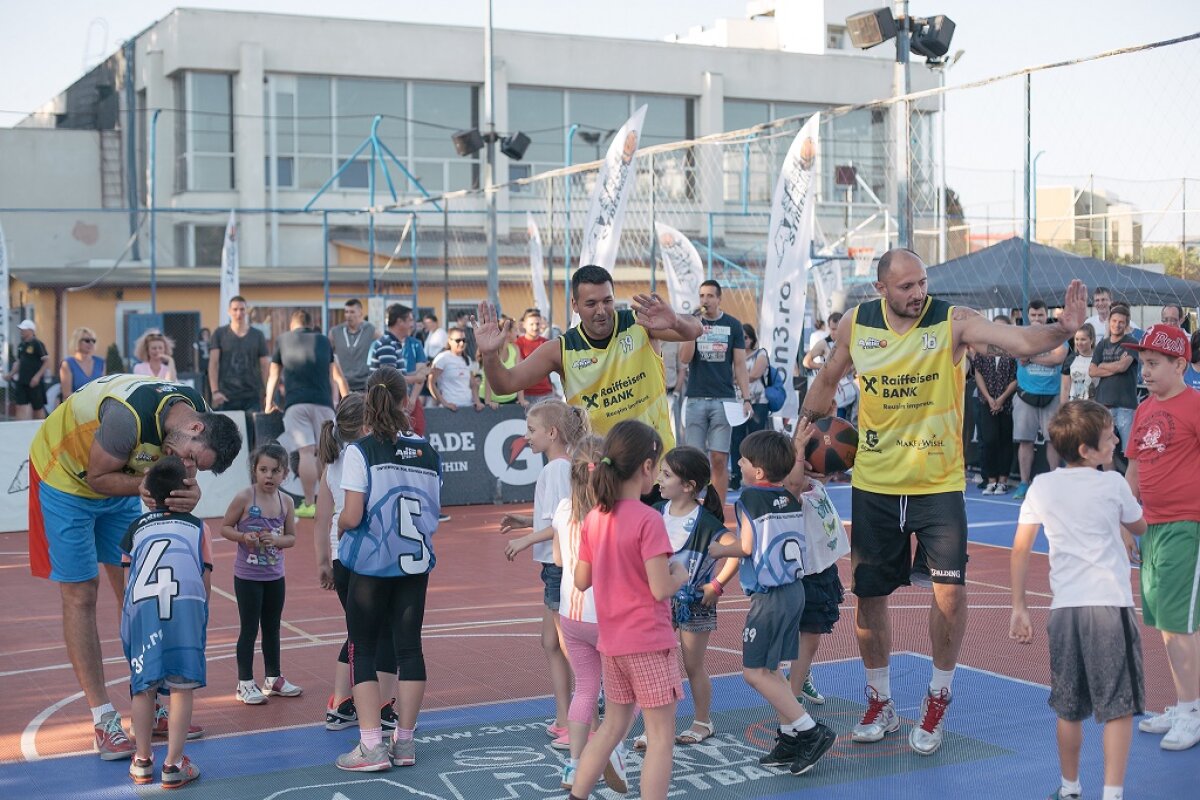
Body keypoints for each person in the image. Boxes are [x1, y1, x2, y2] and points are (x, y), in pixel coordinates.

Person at [797, 247, 1089, 755]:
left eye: (922, 283)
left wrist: (1064, 328)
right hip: (875, 484)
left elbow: (1019, 341)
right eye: (906, 286)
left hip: (938, 484)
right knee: (868, 599)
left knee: (949, 596)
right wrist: (800, 437)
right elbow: (827, 380)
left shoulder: (953, 322)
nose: (918, 293)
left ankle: (938, 697)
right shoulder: (856, 324)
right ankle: (881, 700)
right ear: (880, 289)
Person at [28, 373, 240, 760]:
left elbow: (179, 477)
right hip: (68, 479)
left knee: (139, 593)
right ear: (193, 427)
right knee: (80, 593)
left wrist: (188, 490)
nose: (188, 466)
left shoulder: (196, 419)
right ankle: (102, 716)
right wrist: (146, 484)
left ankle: (153, 701)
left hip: (123, 477)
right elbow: (97, 477)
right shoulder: (128, 419)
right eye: (190, 458)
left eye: (196, 465)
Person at [1010, 400, 1147, 800]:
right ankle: (1112, 793)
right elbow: (1138, 524)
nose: (1117, 440)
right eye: (1109, 437)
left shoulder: (1042, 485)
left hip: (1065, 611)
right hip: (1110, 606)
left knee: (1069, 707)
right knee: (1118, 707)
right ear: (1087, 450)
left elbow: (1020, 550)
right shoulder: (1113, 483)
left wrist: (1019, 605)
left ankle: (1070, 788)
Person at [568, 421, 688, 800]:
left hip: (613, 644)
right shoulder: (649, 520)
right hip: (649, 642)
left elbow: (582, 580)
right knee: (660, 738)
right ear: (647, 467)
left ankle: (577, 794)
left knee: (610, 728)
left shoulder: (593, 519)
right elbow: (659, 588)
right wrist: (680, 574)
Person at [707, 428, 837, 775]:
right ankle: (791, 735)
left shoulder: (748, 499)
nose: (739, 463)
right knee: (771, 670)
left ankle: (810, 731)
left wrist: (718, 548)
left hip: (771, 597)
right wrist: (796, 449)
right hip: (795, 591)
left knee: (753, 672)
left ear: (758, 472)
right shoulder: (791, 495)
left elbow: (746, 547)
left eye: (744, 460)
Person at [334, 367, 441, 771]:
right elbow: (433, 511)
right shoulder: (428, 451)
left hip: (372, 565)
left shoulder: (361, 451)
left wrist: (341, 524)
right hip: (414, 563)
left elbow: (354, 513)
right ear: (405, 401)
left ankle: (370, 745)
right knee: (409, 649)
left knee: (363, 646)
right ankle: (405, 743)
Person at [474, 265, 703, 451]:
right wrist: (490, 354)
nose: (601, 310)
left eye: (607, 301)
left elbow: (694, 330)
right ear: (575, 305)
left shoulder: (640, 323)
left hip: (653, 464)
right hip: (600, 470)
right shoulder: (561, 348)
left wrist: (676, 322)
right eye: (591, 304)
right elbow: (505, 385)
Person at [1123, 324, 1200, 751]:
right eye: (1142, 363)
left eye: (1153, 364)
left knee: (1179, 624)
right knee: (1171, 624)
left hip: (1187, 526)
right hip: (1151, 527)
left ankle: (1190, 710)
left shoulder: (1194, 406)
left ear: (1180, 364)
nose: (1145, 371)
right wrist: (1125, 521)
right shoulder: (1144, 410)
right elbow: (1133, 469)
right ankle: (1187, 703)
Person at [498, 401, 589, 747]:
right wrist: (526, 523)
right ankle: (566, 715)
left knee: (567, 647)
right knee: (551, 642)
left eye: (532, 431)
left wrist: (524, 540)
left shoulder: (555, 470)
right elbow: (557, 517)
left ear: (552, 433)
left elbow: (558, 525)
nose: (527, 437)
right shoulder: (563, 468)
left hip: (558, 567)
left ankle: (580, 720)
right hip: (557, 566)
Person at [121, 456, 211, 790]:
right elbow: (206, 579)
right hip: (185, 606)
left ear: (149, 494)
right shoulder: (199, 527)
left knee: (142, 687)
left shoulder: (134, 529)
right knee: (181, 688)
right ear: (184, 490)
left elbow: (128, 581)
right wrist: (201, 617)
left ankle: (142, 759)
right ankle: (173, 764)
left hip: (142, 609)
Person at [315, 393, 401, 733]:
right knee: (386, 632)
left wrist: (322, 560)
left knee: (358, 631)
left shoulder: (332, 462)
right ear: (367, 424)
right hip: (368, 555)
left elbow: (322, 517)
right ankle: (382, 705)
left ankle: (340, 702)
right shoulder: (365, 457)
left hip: (341, 557)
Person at [552, 435, 627, 793]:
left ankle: (574, 765)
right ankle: (613, 747)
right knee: (629, 690)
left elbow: (556, 559)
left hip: (571, 612)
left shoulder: (565, 508)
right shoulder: (612, 512)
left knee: (585, 688)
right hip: (608, 614)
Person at [649, 446, 737, 747]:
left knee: (692, 665)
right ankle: (657, 726)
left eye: (667, 474)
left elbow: (735, 550)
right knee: (656, 662)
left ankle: (703, 721)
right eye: (661, 472)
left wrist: (717, 585)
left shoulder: (706, 522)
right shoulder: (656, 512)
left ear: (688, 486)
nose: (659, 479)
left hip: (694, 603)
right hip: (659, 600)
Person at [219, 442, 302, 705]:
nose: (269, 475)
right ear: (254, 470)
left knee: (272, 626)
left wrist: (275, 541)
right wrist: (244, 537)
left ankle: (273, 678)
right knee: (249, 628)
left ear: (285, 474)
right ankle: (244, 682)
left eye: (275, 471)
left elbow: (291, 538)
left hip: (275, 576)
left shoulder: (286, 501)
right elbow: (225, 527)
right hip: (248, 577)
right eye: (263, 469)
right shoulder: (245, 498)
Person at [265, 310, 348, 518]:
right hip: (324, 403)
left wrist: (268, 403)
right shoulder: (323, 341)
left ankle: (310, 503)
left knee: (306, 453)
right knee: (325, 453)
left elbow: (273, 375)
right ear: (310, 324)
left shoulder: (283, 340)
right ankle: (332, 502)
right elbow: (333, 375)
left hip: (296, 403)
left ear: (293, 324)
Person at [680, 280, 752, 503]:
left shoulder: (733, 325)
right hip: (695, 399)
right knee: (693, 459)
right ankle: (690, 507)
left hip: (724, 399)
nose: (705, 300)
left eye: (710, 296)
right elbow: (684, 358)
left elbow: (739, 365)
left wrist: (747, 398)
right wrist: (693, 328)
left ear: (719, 299)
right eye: (702, 295)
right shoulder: (691, 323)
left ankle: (717, 510)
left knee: (719, 458)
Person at [1011, 300, 1067, 500]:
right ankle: (1024, 483)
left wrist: (1032, 358)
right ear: (1028, 316)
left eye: (1040, 315)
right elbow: (1017, 354)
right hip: (1026, 395)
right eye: (1033, 316)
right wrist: (1028, 353)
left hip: (1051, 395)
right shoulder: (1021, 335)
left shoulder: (1056, 335)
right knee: (1025, 441)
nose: (1037, 319)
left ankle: (1054, 483)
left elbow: (1058, 358)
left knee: (1053, 441)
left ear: (1046, 315)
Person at [971, 314, 1018, 495]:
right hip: (986, 402)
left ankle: (1003, 481)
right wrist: (990, 398)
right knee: (989, 441)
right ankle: (991, 480)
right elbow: (978, 373)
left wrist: (1002, 398)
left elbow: (1016, 378)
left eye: (1002, 327)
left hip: (1006, 404)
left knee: (1005, 442)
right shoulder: (984, 349)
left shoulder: (1014, 350)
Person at [1089, 303, 1139, 454]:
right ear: (1109, 321)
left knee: (1129, 452)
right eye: (1114, 321)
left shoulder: (1132, 343)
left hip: (1126, 406)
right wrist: (1115, 366)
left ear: (1127, 324)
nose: (1117, 325)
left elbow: (1123, 367)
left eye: (1121, 322)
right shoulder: (1102, 345)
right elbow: (1092, 371)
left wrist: (1103, 365)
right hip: (1103, 405)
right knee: (1104, 450)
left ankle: (1129, 479)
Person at [209, 295, 270, 413]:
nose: (239, 313)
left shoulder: (257, 335)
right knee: (229, 431)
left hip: (252, 395)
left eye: (242, 309)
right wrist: (215, 391)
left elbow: (265, 365)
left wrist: (268, 393)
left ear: (246, 311)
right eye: (235, 309)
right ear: (229, 311)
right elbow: (213, 363)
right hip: (226, 395)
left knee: (252, 430)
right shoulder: (219, 334)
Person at [730, 323, 771, 490]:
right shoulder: (734, 355)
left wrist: (738, 377)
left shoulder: (761, 353)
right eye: (740, 337)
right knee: (736, 440)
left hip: (758, 402)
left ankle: (758, 474)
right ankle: (736, 475)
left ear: (752, 338)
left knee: (756, 439)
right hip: (737, 403)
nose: (743, 340)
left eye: (746, 337)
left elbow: (755, 374)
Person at [368, 303, 429, 395]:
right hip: (386, 404)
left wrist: (418, 373)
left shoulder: (392, 343)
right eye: (410, 320)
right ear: (400, 321)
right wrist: (417, 378)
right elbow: (390, 379)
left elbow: (396, 374)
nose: (413, 325)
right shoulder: (387, 344)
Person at [329, 298, 377, 393]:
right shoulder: (335, 332)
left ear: (360, 313)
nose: (348, 315)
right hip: (342, 386)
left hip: (363, 385)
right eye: (346, 312)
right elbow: (327, 354)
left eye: (352, 312)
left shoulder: (370, 330)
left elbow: (384, 343)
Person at [428, 327, 480, 411]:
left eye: (464, 340)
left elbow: (473, 384)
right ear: (449, 341)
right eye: (458, 340)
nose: (462, 343)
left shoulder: (467, 359)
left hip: (468, 407)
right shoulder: (442, 358)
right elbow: (431, 383)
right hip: (450, 409)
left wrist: (477, 401)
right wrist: (444, 403)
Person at [479, 316, 525, 408]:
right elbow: (489, 378)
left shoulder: (515, 349)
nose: (518, 333)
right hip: (491, 401)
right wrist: (488, 402)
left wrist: (521, 400)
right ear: (507, 333)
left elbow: (518, 375)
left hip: (511, 399)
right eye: (515, 330)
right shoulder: (492, 350)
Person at [10, 319, 49, 419]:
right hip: (22, 381)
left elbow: (46, 361)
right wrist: (10, 374)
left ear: (31, 330)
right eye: (21, 329)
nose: (21, 331)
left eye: (24, 329)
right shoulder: (21, 345)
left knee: (38, 408)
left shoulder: (37, 343)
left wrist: (37, 377)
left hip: (35, 382)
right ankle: (20, 431)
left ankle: (41, 430)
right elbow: (19, 362)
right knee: (20, 406)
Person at [515, 308, 555, 404]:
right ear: (524, 325)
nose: (535, 327)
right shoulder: (518, 343)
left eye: (537, 324)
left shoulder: (546, 343)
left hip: (546, 393)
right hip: (526, 394)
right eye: (531, 324)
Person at [59, 327, 106, 399]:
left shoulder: (100, 362)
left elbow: (103, 389)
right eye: (87, 340)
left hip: (96, 406)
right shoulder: (67, 364)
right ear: (77, 341)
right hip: (75, 406)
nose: (91, 343)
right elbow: (66, 394)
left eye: (93, 341)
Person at [1061, 325, 1099, 403]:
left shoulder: (1098, 359)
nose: (1079, 343)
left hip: (1093, 405)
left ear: (1091, 340)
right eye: (1077, 339)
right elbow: (1065, 388)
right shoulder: (1070, 359)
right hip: (1074, 405)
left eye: (1083, 339)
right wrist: (1063, 409)